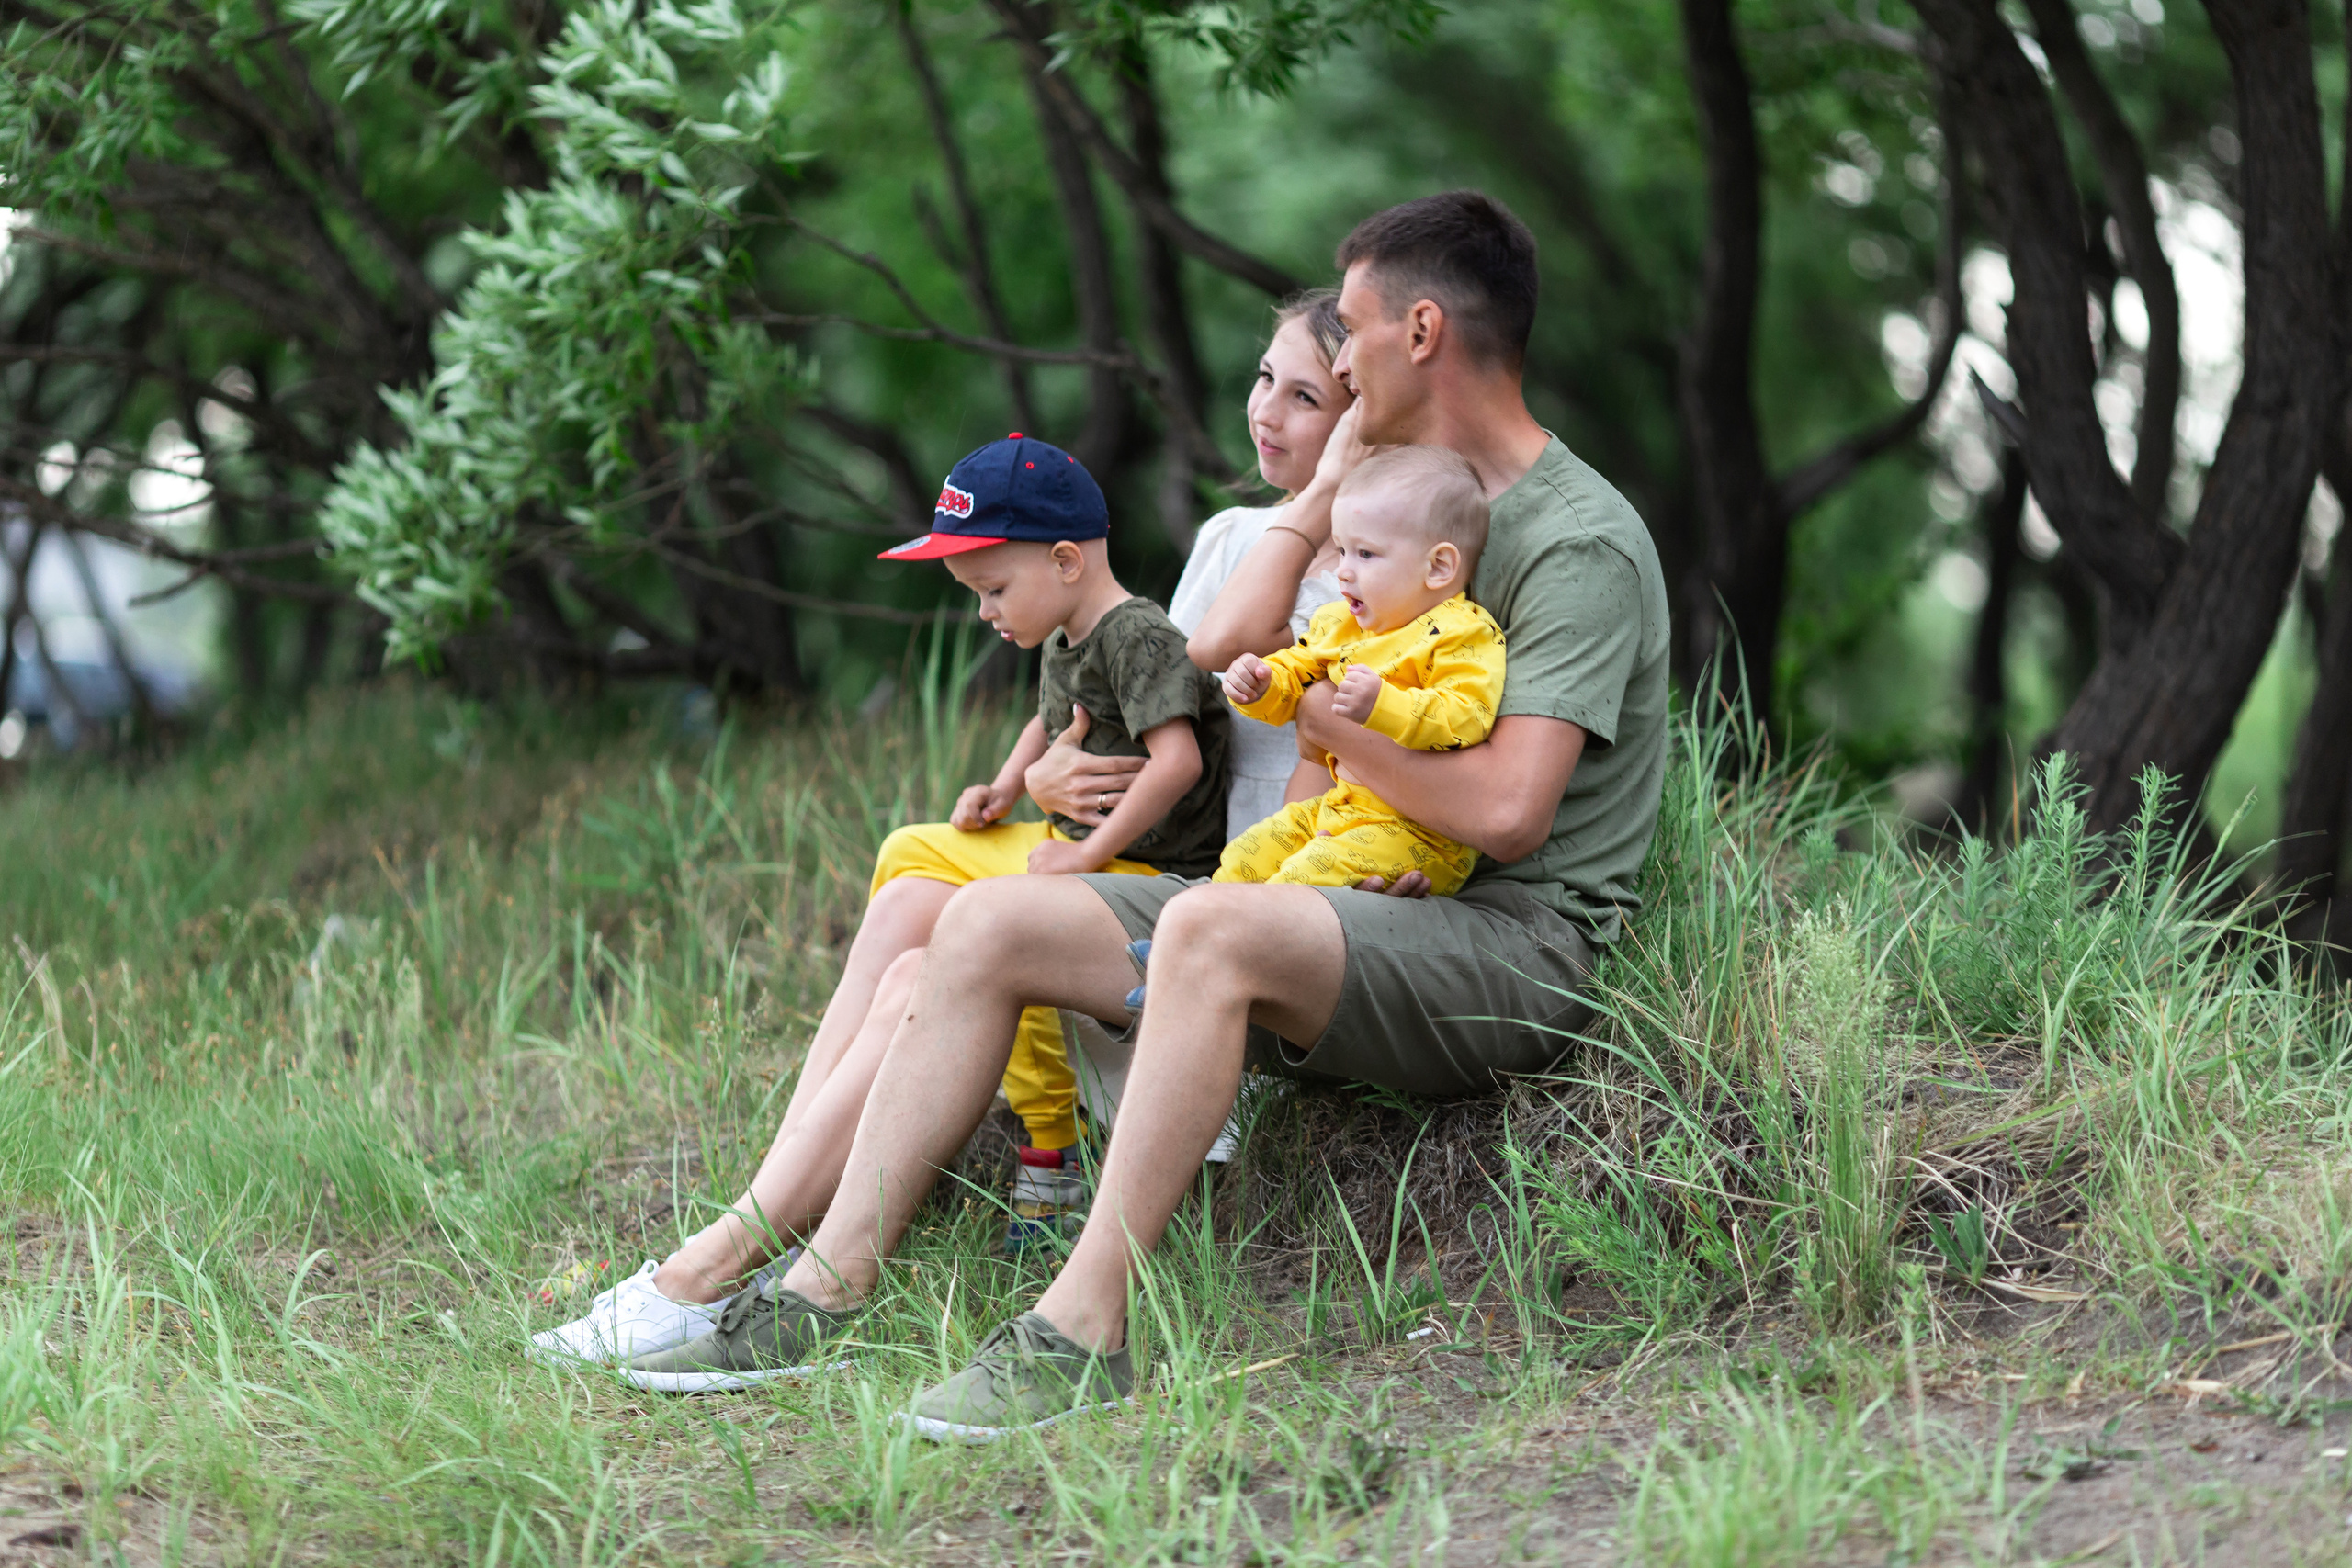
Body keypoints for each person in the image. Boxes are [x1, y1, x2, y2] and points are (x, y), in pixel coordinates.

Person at [612, 189, 1674, 1445]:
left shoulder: (1576, 543)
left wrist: (1334, 735)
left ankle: (1083, 1330)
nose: (1335, 361)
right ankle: (820, 1285)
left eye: (1350, 332)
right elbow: (1217, 659)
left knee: (1209, 929)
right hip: (1359, 900)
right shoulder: (1381, 510)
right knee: (989, 919)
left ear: (1422, 333)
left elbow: (1505, 811)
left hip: (1512, 942)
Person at [525, 301, 1353, 1371]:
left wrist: (1087, 832)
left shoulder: (1386, 563)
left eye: (1306, 393)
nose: (1264, 411)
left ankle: (725, 1266)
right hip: (1146, 871)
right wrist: (1042, 776)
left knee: (934, 943)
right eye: (1261, 377)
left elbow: (1219, 742)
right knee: (916, 888)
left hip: (1221, 900)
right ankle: (759, 1222)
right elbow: (1134, 708)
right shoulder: (1233, 541)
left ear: (1368, 412)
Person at [1215, 445, 1500, 895]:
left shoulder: (1461, 633)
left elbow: (1467, 716)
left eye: (1365, 554)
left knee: (1300, 879)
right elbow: (1296, 673)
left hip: (1418, 834)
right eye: (1342, 550)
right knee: (1249, 853)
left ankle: (1218, 946)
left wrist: (1384, 705)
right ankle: (1191, 935)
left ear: (1439, 566)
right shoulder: (1341, 624)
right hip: (1340, 809)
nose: (1344, 572)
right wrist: (1261, 684)